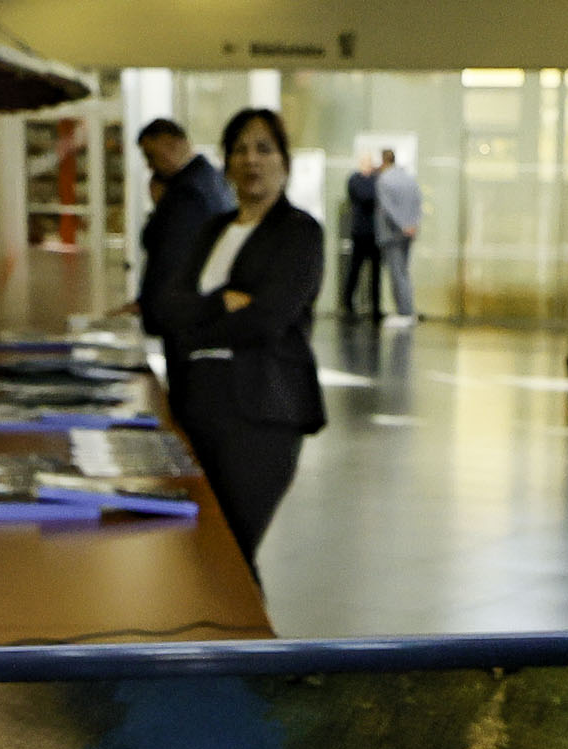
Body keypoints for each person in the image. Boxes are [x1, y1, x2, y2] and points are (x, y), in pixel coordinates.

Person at [146, 107, 326, 571]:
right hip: (195, 402)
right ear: (226, 163)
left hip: (260, 412)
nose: (251, 160)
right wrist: (220, 302)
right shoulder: (213, 230)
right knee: (198, 550)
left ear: (285, 163)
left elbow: (267, 320)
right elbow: (163, 308)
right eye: (240, 150)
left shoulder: (300, 234)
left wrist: (191, 331)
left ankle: (249, 642)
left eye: (264, 148)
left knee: (232, 554)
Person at [130, 117, 233, 334]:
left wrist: (152, 307)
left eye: (151, 156)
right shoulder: (210, 180)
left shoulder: (187, 193)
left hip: (181, 316)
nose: (150, 166)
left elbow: (170, 257)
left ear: (171, 143)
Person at [373, 147, 421, 328]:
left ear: (383, 161)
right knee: (404, 273)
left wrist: (402, 225)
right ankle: (407, 310)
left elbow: (387, 208)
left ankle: (404, 312)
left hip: (392, 233)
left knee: (396, 273)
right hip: (409, 232)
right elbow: (418, 202)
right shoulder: (409, 178)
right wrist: (412, 225)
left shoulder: (384, 180)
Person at [337, 147, 385, 321]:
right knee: (355, 270)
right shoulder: (355, 180)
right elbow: (365, 196)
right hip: (360, 232)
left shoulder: (376, 179)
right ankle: (348, 304)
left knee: (375, 273)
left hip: (374, 232)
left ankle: (376, 308)